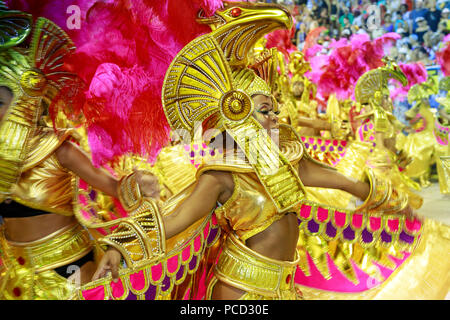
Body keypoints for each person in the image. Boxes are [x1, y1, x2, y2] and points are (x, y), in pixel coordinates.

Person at [91, 4, 423, 300]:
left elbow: (343, 181)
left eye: (275, 109)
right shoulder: (221, 175)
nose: (277, 117)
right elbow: (175, 219)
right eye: (266, 110)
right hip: (242, 290)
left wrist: (394, 201)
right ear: (237, 114)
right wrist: (117, 248)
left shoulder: (282, 160)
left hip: (284, 285)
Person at [0, 5, 160, 300]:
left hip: (66, 273)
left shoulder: (58, 148)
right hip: (14, 274)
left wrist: (138, 183)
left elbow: (114, 188)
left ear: (24, 100)